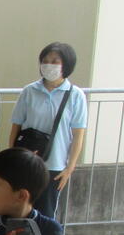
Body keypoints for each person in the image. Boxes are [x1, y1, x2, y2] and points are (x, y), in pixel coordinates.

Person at [9, 42, 87, 219]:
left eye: (55, 61)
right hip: (27, 161)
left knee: (46, 214)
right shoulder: (29, 91)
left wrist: (69, 168)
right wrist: (14, 157)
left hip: (55, 165)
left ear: (66, 65)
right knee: (20, 210)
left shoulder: (75, 95)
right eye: (45, 61)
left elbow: (78, 135)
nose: (48, 65)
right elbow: (16, 126)